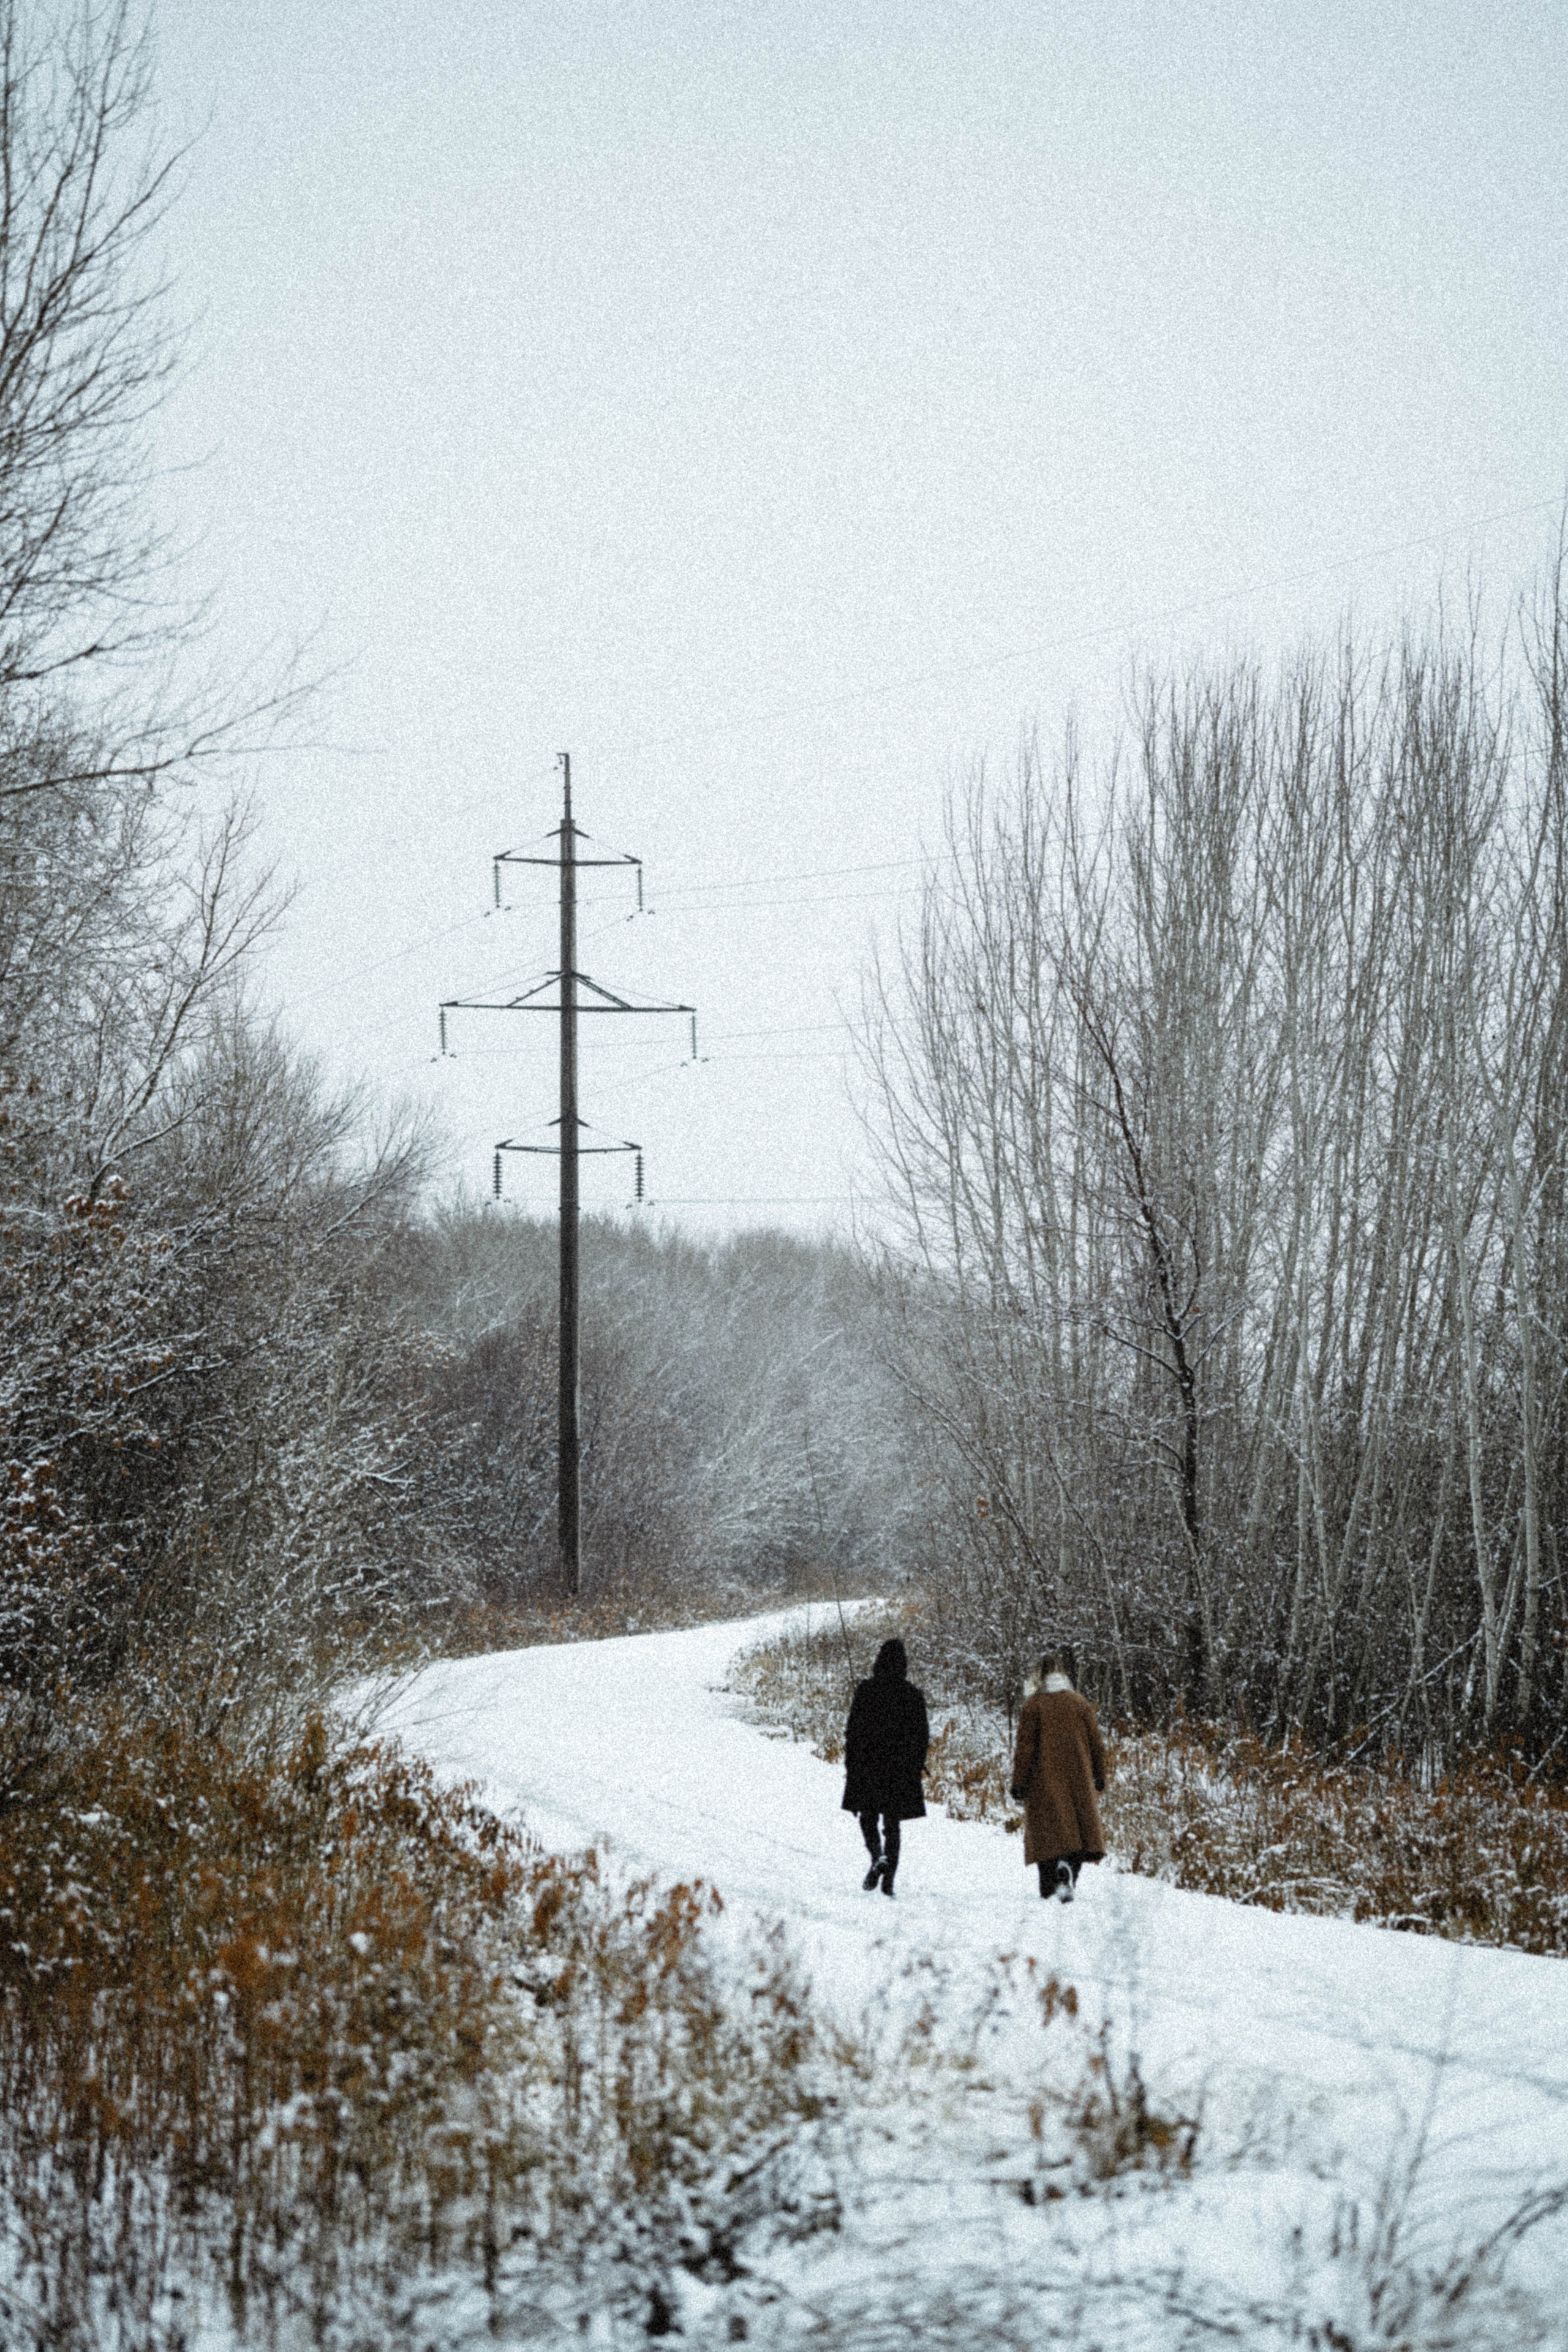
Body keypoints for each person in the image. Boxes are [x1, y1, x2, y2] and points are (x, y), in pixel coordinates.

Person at [1009, 1650, 1107, 1901]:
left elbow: (1025, 1748)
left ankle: (1049, 1887)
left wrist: (1019, 1783)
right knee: (1077, 1832)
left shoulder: (1034, 1706)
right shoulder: (1079, 1703)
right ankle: (1067, 1872)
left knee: (1046, 1834)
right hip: (1079, 1779)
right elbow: (1096, 1744)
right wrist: (1099, 1774)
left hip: (1043, 1780)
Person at [840, 1637, 929, 1898]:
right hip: (899, 1770)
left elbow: (853, 1731)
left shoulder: (866, 1690)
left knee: (868, 1816)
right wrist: (915, 1765)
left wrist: (851, 1762)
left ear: (878, 1660)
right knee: (893, 1824)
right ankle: (888, 1881)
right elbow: (922, 1735)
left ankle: (877, 1856)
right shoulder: (913, 1695)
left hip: (869, 1765)